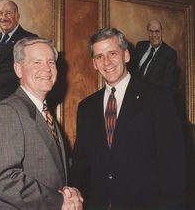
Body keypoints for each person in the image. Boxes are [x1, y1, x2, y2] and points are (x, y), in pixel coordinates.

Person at [70, 27, 185, 209]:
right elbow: (81, 163)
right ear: (94, 63)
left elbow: (175, 163)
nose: (106, 62)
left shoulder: (158, 98)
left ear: (126, 55)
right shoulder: (86, 107)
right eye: (99, 56)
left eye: (112, 53)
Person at [0, 37, 83, 210]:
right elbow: (4, 180)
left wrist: (69, 191)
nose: (46, 69)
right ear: (18, 69)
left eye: (50, 62)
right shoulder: (8, 111)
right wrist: (59, 201)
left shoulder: (43, 111)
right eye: (36, 62)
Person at [130, 19, 178, 89]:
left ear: (162, 32)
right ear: (147, 32)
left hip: (152, 93)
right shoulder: (140, 45)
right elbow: (132, 68)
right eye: (151, 31)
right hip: (133, 89)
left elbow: (167, 83)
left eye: (157, 31)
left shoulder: (170, 53)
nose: (154, 35)